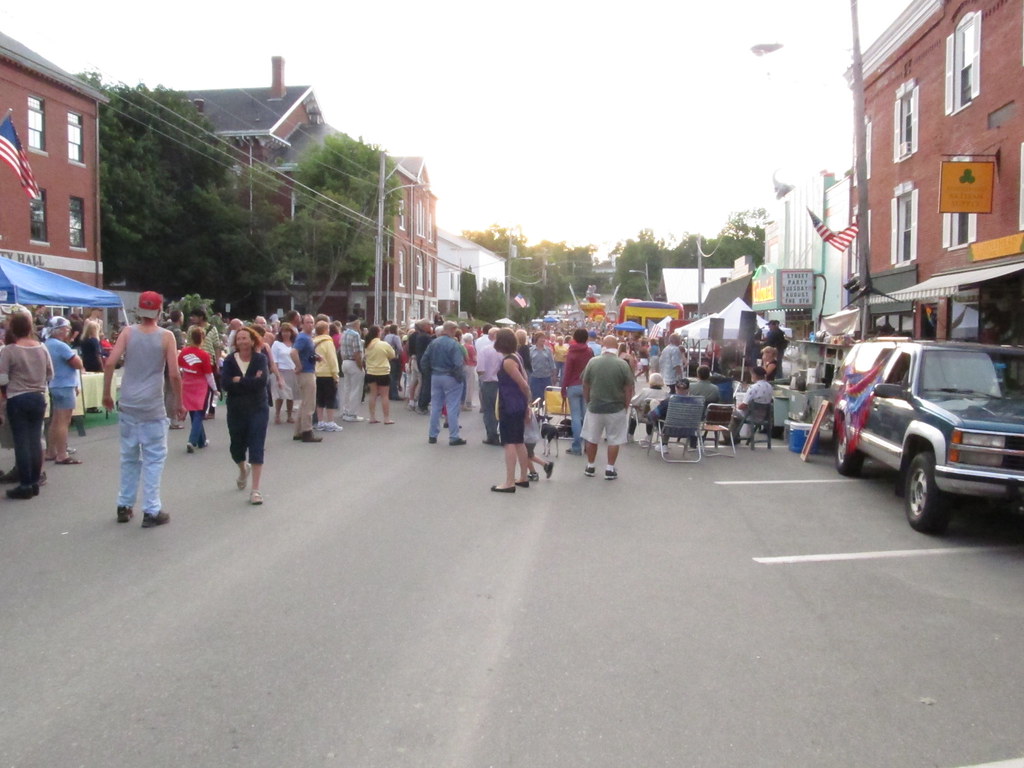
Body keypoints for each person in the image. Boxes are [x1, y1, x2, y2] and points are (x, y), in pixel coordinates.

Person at [103, 291, 185, 527]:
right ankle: (151, 509)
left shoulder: (127, 332)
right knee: (154, 458)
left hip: (128, 403)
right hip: (152, 405)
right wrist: (179, 402)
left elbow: (110, 362)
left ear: (139, 310)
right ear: (159, 311)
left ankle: (124, 504)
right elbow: (174, 374)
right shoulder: (166, 336)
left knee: (129, 456)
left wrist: (107, 393)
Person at [0, 310, 53, 499]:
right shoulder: (42, 348)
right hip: (38, 396)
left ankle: (25, 484)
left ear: (13, 329)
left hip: (17, 397)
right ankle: (35, 480)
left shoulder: (9, 350)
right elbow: (50, 374)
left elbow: (2, 378)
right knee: (35, 440)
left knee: (21, 442)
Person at [221, 326, 270, 505]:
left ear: (252, 340)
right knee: (236, 447)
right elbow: (225, 383)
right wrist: (249, 381)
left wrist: (239, 380)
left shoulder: (260, 359)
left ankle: (255, 490)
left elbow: (261, 382)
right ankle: (243, 469)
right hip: (236, 410)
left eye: (245, 338)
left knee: (257, 446)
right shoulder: (229, 360)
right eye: (239, 338)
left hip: (258, 408)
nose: (242, 341)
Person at [581, 335, 634, 480]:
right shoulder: (622, 364)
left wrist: (588, 400)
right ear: (616, 347)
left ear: (603, 346)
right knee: (614, 439)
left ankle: (590, 466)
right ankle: (610, 469)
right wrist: (626, 405)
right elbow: (628, 388)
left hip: (595, 406)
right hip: (616, 407)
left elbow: (585, 384)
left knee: (592, 438)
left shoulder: (593, 362)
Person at [491, 328, 531, 492]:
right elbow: (525, 381)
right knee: (519, 441)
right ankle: (523, 476)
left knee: (509, 443)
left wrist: (527, 404)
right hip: (517, 403)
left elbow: (523, 384)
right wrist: (526, 405)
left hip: (510, 404)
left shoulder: (508, 362)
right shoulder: (517, 357)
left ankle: (509, 481)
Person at [44, 316, 85, 465]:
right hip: (65, 384)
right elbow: (77, 363)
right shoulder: (61, 346)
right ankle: (62, 454)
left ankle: (51, 451)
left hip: (54, 384)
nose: (68, 331)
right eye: (66, 328)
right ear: (59, 330)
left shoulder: (47, 344)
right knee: (63, 421)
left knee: (55, 420)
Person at [420, 321, 466, 446]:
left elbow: (424, 360)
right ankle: (454, 436)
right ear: (452, 330)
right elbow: (458, 364)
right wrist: (459, 377)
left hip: (436, 375)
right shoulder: (454, 344)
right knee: (452, 406)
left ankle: (432, 435)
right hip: (450, 376)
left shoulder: (434, 342)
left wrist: (429, 374)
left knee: (435, 406)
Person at [179, 325, 217, 453]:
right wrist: (215, 388)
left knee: (193, 412)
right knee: (199, 413)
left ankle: (202, 441)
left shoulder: (184, 352)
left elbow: (180, 367)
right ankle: (192, 440)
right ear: (203, 339)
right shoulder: (204, 355)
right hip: (200, 386)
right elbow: (209, 374)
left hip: (187, 384)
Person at [560, 328, 594, 456]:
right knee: (586, 417)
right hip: (586, 386)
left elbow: (567, 372)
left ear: (574, 338)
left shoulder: (571, 352)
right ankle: (588, 445)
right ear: (586, 338)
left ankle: (576, 446)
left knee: (575, 417)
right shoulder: (589, 352)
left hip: (573, 386)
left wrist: (563, 388)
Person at [289, 315, 321, 443]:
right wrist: (299, 366)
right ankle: (307, 431)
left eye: (312, 322)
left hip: (308, 370)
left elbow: (305, 353)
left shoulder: (308, 338)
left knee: (304, 403)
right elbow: (293, 352)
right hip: (306, 372)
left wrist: (315, 356)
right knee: (309, 403)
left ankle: (298, 431)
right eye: (307, 322)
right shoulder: (303, 337)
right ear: (302, 324)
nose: (310, 325)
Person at [188, 307, 222, 420]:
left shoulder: (212, 329)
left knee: (212, 388)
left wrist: (217, 362)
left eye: (194, 316)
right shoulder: (191, 329)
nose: (192, 318)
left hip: (210, 361)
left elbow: (217, 346)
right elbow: (188, 345)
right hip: (195, 362)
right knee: (200, 387)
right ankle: (201, 409)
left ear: (201, 317)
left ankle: (211, 410)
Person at [731, 365, 774, 442]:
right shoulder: (770, 387)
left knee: (732, 413)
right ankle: (736, 436)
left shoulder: (753, 388)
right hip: (764, 416)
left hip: (751, 415)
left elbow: (744, 405)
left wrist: (736, 407)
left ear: (755, 375)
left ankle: (732, 438)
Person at [313, 320, 342, 432]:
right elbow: (332, 359)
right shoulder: (328, 342)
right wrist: (336, 375)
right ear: (326, 330)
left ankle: (320, 421)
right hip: (328, 373)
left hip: (317, 373)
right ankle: (330, 421)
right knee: (330, 398)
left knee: (320, 398)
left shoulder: (314, 342)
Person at [364, 325, 396, 424]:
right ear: (378, 333)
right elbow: (392, 355)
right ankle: (386, 418)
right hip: (383, 371)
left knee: (372, 394)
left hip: (371, 371)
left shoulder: (367, 345)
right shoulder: (384, 344)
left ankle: (372, 417)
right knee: (384, 395)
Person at [628, 371, 669, 446]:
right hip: (658, 418)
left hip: (642, 416)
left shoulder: (645, 391)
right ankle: (649, 435)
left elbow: (633, 402)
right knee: (652, 409)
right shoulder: (665, 394)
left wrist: (637, 406)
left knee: (633, 413)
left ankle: (630, 435)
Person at [477, 327, 502, 445]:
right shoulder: (505, 350)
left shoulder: (485, 350)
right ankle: (502, 434)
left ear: (490, 336)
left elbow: (480, 369)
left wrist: (482, 378)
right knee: (502, 410)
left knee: (489, 411)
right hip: (503, 383)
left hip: (489, 382)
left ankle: (492, 435)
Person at [339, 315, 366, 422]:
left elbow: (341, 350)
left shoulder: (344, 333)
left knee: (347, 388)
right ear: (355, 323)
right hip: (354, 362)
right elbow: (357, 353)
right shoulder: (355, 335)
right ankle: (352, 414)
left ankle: (345, 411)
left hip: (345, 361)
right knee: (356, 389)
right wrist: (360, 366)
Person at [271, 322, 297, 424]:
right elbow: (274, 360)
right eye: (283, 331)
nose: (285, 333)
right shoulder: (277, 344)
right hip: (281, 371)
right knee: (280, 395)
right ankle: (277, 414)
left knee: (291, 395)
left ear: (291, 332)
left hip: (293, 371)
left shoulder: (295, 344)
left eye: (288, 331)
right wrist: (278, 374)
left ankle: (289, 415)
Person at [529, 332, 556, 402]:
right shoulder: (531, 350)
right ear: (537, 339)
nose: (543, 340)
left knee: (547, 397)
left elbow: (552, 363)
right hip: (535, 378)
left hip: (546, 377)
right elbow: (528, 364)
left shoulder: (548, 350)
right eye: (541, 338)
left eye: (544, 338)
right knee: (536, 397)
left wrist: (554, 376)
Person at [383, 323, 404, 401]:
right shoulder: (396, 337)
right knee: (394, 376)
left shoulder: (386, 336)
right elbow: (400, 348)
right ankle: (395, 395)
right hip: (394, 357)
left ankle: (389, 394)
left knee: (389, 375)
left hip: (387, 357)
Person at [460, 332, 478, 410]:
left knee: (465, 384)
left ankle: (463, 401)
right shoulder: (471, 347)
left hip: (463, 366)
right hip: (470, 366)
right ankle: (468, 401)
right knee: (470, 384)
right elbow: (474, 358)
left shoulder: (462, 346)